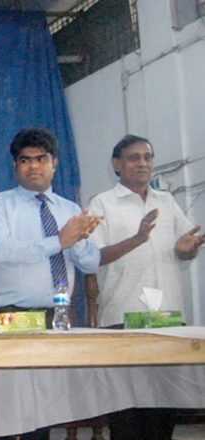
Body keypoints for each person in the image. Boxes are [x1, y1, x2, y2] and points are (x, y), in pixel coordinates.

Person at [0, 128, 101, 440]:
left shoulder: (70, 209)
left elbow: (90, 263)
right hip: (9, 312)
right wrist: (58, 240)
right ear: (15, 166)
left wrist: (76, 241)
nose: (33, 166)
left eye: (41, 159)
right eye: (25, 160)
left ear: (55, 163)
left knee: (46, 398)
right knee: (7, 397)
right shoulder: (0, 204)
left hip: (58, 312)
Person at [88, 135, 204, 440]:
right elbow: (95, 257)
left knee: (162, 411)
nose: (143, 163)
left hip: (167, 320)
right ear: (117, 164)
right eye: (134, 158)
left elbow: (184, 250)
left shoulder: (166, 201)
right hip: (122, 319)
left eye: (147, 157)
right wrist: (137, 239)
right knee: (126, 413)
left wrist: (187, 248)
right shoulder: (102, 203)